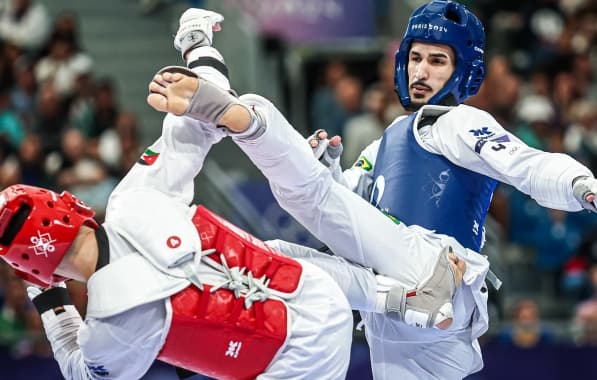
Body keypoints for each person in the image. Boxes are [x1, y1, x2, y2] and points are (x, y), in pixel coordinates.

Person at [148, 4, 597, 379]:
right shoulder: (385, 143)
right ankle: (195, 337)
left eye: (437, 61)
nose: (421, 70)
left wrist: (585, 187)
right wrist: (325, 168)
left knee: (308, 196)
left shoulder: (458, 121)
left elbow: (528, 164)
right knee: (276, 260)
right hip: (405, 313)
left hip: (440, 273)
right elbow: (348, 213)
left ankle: (222, 89)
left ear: (465, 72)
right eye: (416, 58)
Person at [0, 45, 355, 379]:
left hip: (298, 358)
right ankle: (385, 294)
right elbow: (199, 116)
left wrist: (46, 297)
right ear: (72, 205)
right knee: (272, 247)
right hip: (320, 292)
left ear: (32, 268)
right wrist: (199, 49)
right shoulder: (135, 197)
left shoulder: (111, 322)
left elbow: (80, 371)